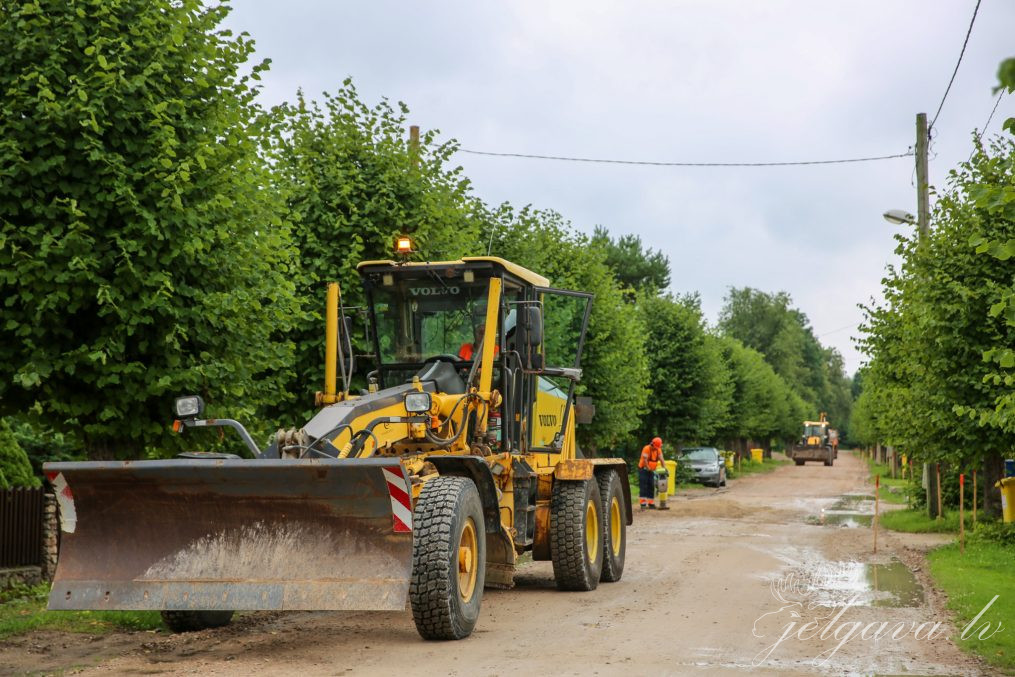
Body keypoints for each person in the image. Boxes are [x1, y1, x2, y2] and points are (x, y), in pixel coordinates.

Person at [639, 437, 664, 509]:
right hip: (643, 469)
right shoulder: (646, 448)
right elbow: (645, 460)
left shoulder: (658, 449)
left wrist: (664, 469)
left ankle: (651, 503)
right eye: (656, 447)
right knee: (644, 486)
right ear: (652, 444)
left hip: (652, 470)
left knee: (651, 486)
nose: (657, 448)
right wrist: (649, 468)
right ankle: (643, 503)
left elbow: (662, 459)